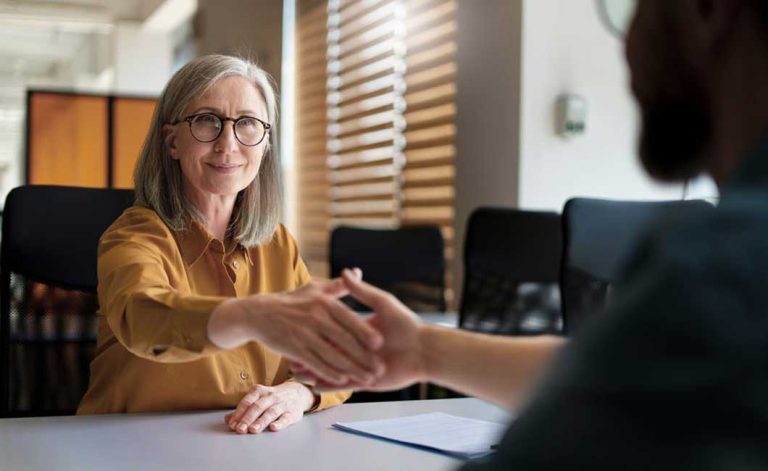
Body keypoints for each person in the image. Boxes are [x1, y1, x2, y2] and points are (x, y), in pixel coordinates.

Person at [296, 0, 768, 467]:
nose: (626, 40)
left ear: (710, 9)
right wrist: (424, 348)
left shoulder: (722, 267)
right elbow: (633, 379)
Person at [77, 55, 384, 436]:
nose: (228, 143)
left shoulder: (278, 245)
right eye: (206, 120)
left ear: (265, 143)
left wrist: (298, 394)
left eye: (248, 124)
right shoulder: (135, 236)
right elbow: (144, 321)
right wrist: (250, 315)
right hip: (128, 447)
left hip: (246, 451)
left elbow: (338, 358)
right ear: (172, 141)